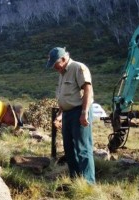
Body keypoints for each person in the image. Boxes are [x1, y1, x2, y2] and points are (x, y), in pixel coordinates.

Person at [46, 47, 95, 184]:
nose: (55, 68)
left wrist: (84, 113)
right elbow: (66, 97)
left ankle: (88, 184)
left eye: (56, 65)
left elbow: (88, 90)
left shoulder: (78, 67)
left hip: (79, 112)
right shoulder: (62, 73)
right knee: (69, 149)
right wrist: (60, 116)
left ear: (63, 59)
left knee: (83, 148)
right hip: (67, 114)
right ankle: (76, 182)